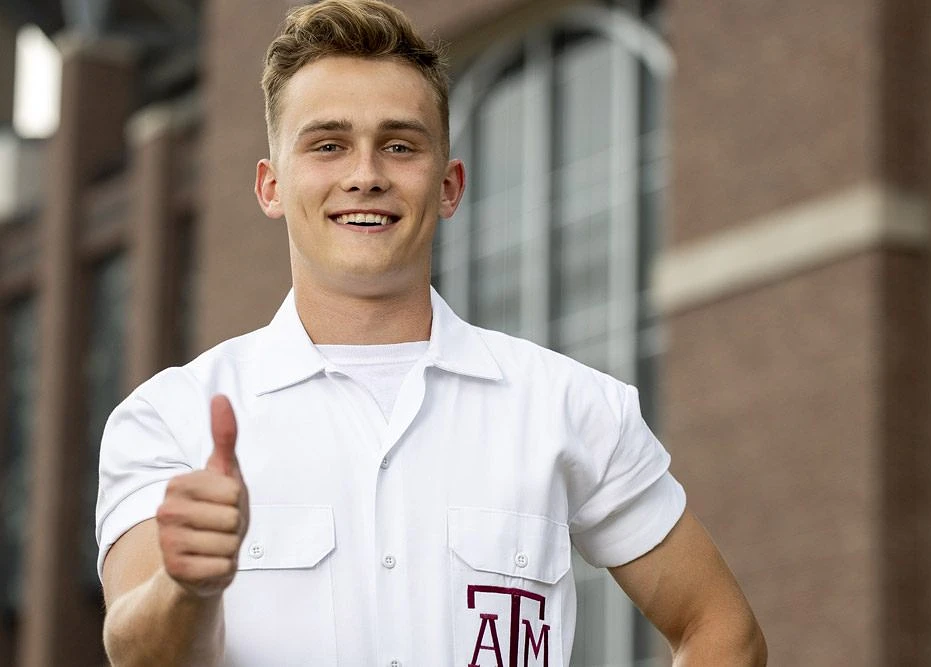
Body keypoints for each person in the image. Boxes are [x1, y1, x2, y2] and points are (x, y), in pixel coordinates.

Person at [97, 1, 766, 665]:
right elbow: (134, 651)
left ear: (448, 187)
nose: (365, 175)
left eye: (399, 145)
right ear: (272, 186)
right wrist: (186, 586)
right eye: (328, 145)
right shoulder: (168, 419)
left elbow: (723, 631)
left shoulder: (571, 405)